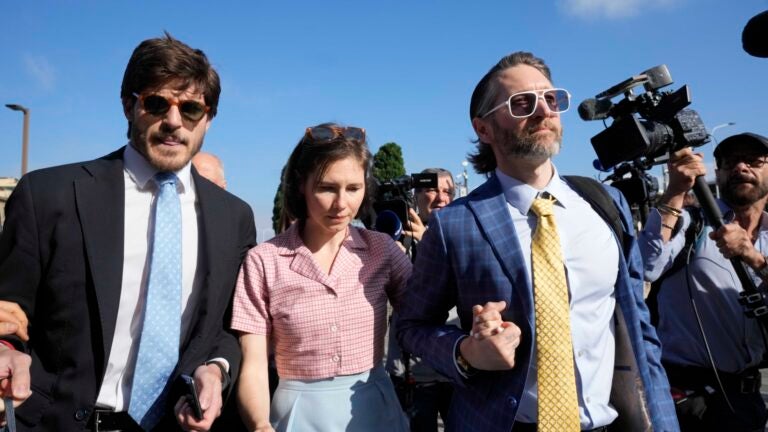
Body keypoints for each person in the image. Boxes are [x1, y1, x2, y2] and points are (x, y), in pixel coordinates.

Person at [396, 51, 678, 432]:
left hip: (607, 423)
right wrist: (465, 352)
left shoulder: (605, 204)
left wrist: (664, 421)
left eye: (551, 98)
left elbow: (639, 327)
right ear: (484, 129)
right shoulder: (454, 225)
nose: (544, 111)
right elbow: (412, 326)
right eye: (522, 103)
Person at [0, 33, 256, 431]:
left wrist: (216, 369)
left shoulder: (234, 217)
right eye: (156, 104)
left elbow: (226, 328)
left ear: (207, 118)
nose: (173, 121)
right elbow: (9, 307)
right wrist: (6, 349)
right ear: (128, 105)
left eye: (190, 109)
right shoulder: (49, 195)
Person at [232, 123, 411, 432]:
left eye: (353, 188)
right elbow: (255, 363)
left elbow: (425, 311)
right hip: (297, 412)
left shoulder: (382, 250)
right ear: (301, 184)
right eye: (327, 188)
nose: (342, 204)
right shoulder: (264, 261)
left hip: (374, 407)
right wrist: (260, 423)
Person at [640, 133, 768, 431]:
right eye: (730, 162)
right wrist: (675, 191)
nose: (741, 167)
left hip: (747, 399)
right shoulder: (692, 222)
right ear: (717, 173)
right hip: (687, 398)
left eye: (753, 161)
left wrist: (754, 258)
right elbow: (645, 264)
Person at [387, 167, 457, 431]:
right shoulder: (398, 241)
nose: (441, 197)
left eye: (448, 191)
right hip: (412, 372)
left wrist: (429, 243)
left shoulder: (464, 235)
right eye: (432, 190)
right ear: (415, 197)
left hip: (456, 368)